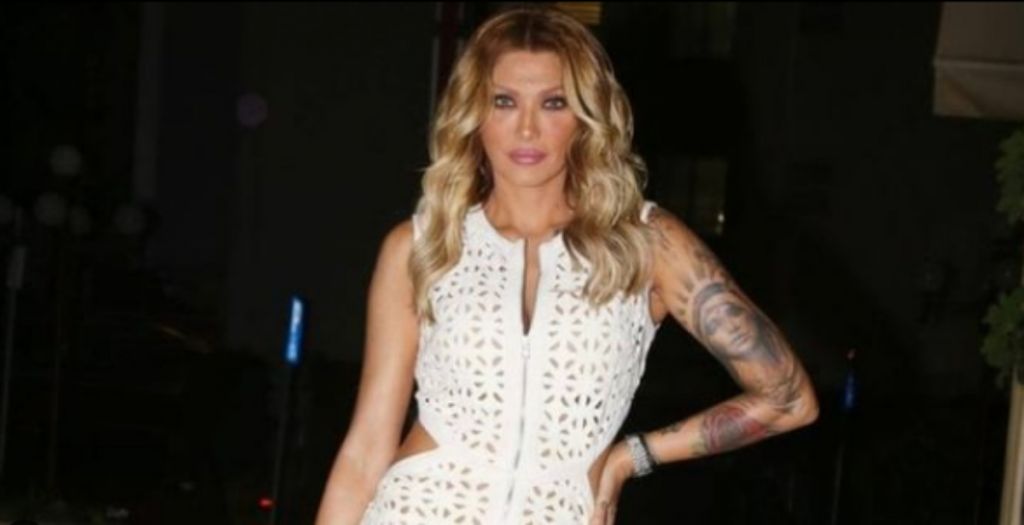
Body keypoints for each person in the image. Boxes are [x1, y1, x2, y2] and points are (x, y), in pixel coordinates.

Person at [315, 6, 818, 525]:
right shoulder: (421, 245)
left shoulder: (647, 244)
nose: (526, 128)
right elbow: (365, 451)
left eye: (553, 103)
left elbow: (790, 398)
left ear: (585, 118)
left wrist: (632, 457)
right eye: (504, 101)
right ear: (474, 113)